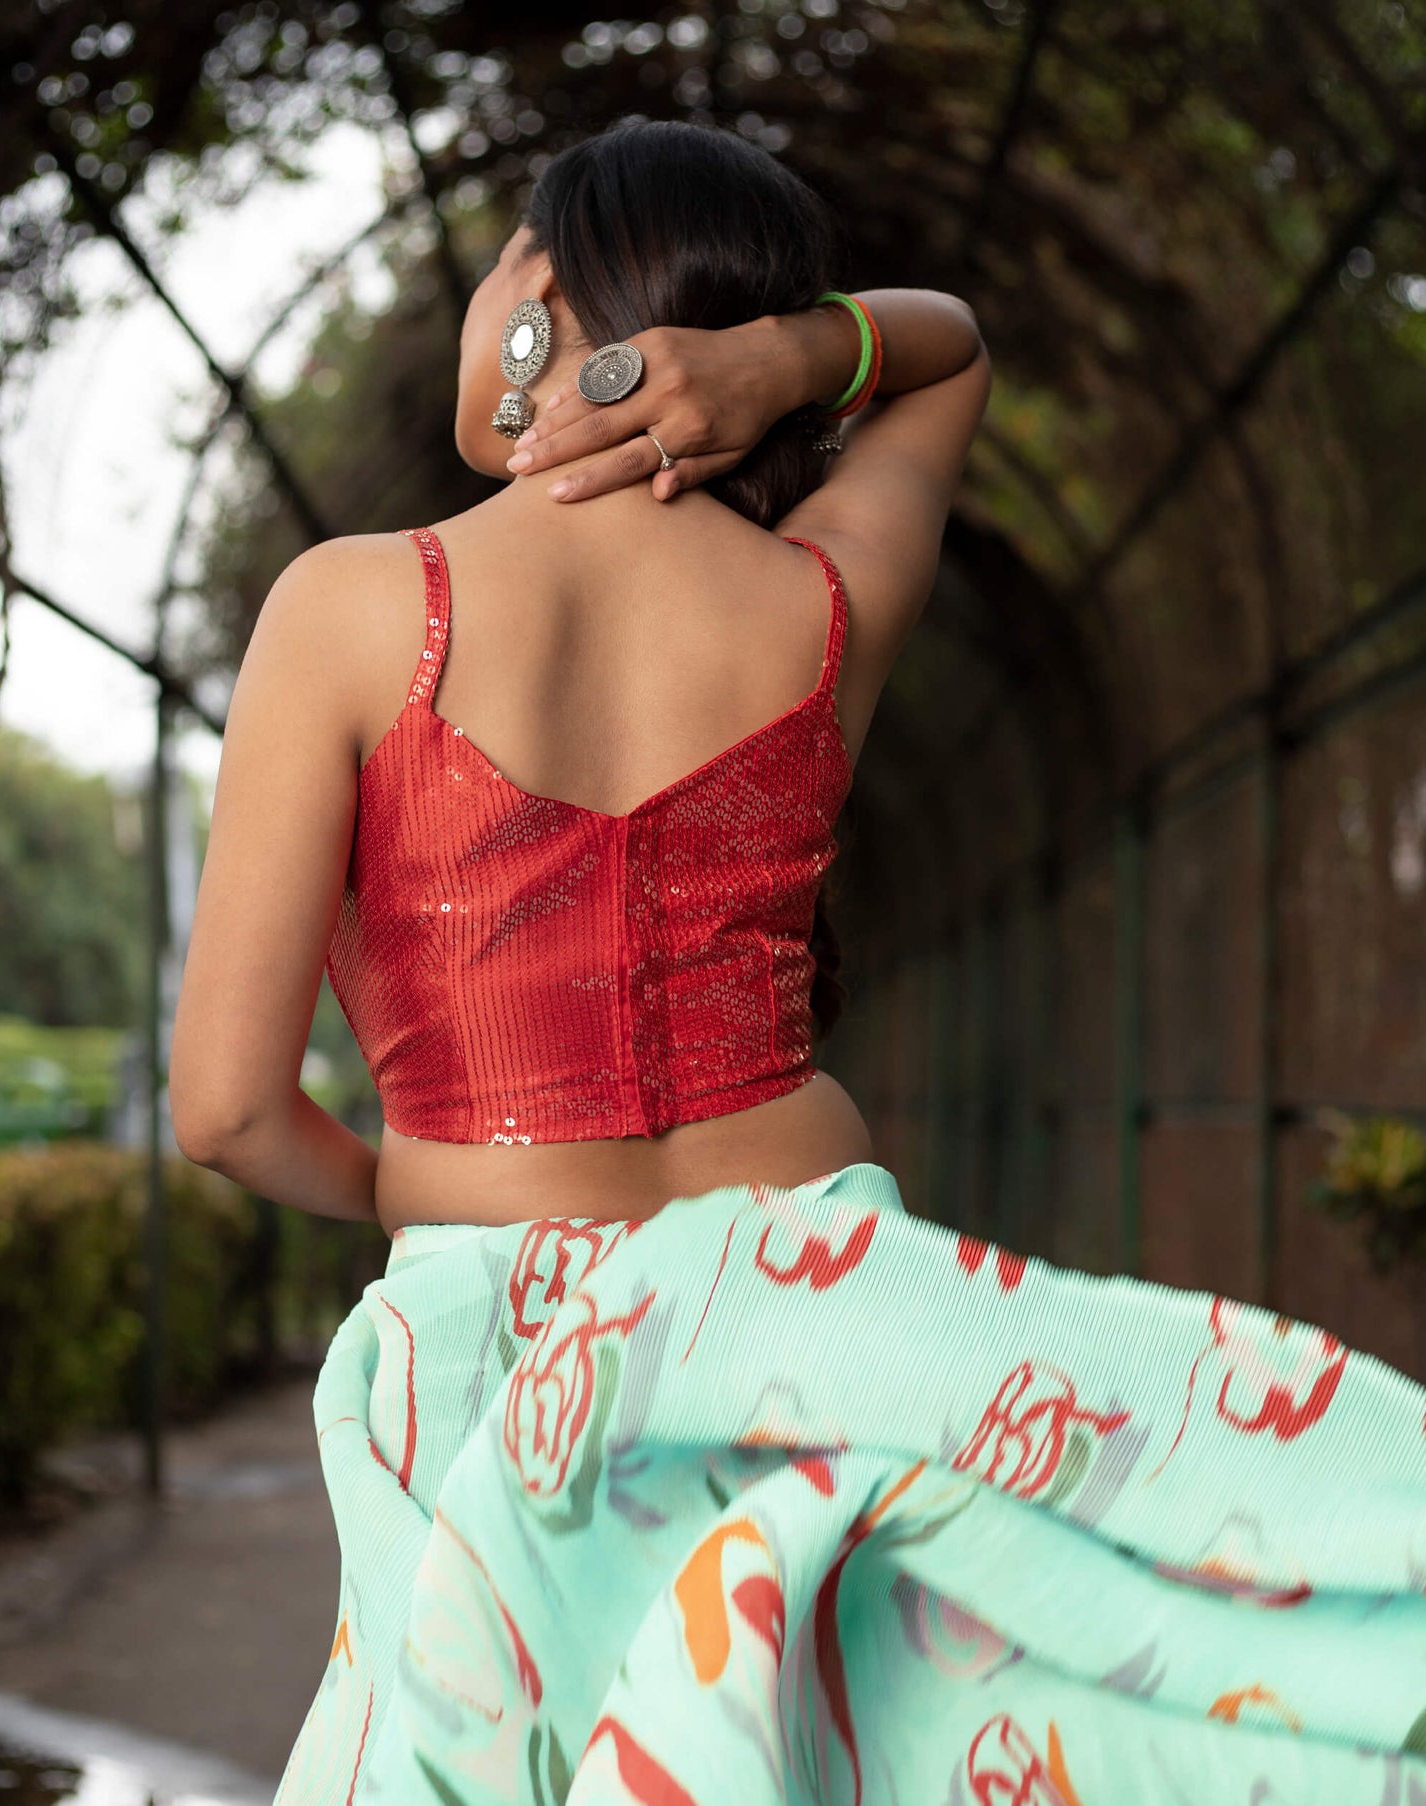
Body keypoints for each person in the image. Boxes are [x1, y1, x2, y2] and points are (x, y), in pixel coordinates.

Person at [171, 119, 1426, 1806]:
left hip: (501, 1352)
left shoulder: (348, 606)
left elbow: (227, 1113)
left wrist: (430, 1186)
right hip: (822, 1304)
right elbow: (951, 353)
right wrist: (789, 360)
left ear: (537, 287)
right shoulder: (822, 604)